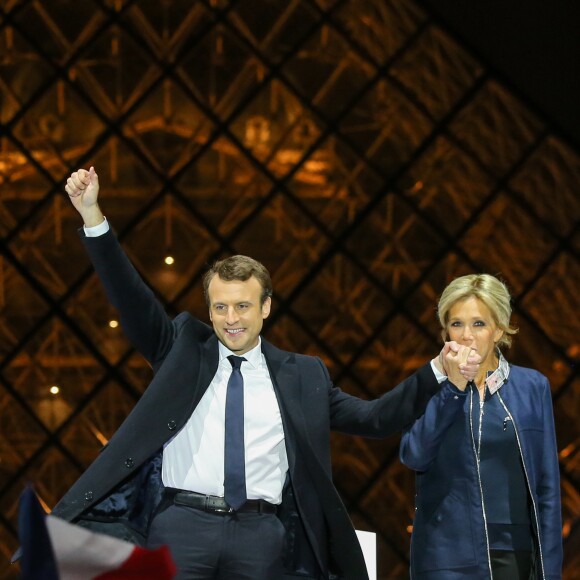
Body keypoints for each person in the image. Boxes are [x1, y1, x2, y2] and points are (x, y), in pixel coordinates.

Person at [49, 166, 479, 580]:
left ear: (266, 308)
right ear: (209, 311)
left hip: (260, 536)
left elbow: (375, 419)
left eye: (243, 306)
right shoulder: (182, 348)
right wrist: (92, 216)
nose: (231, 318)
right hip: (180, 528)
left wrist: (437, 370)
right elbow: (131, 298)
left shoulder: (303, 375)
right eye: (220, 307)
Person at [399, 274, 563, 580]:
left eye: (478, 324)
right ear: (445, 330)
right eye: (456, 324)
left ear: (498, 329)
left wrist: (551, 571)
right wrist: (453, 388)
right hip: (448, 555)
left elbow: (547, 488)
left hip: (515, 553)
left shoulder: (532, 387)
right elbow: (414, 455)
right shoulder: (428, 385)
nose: (466, 335)